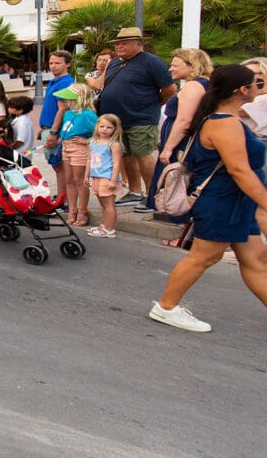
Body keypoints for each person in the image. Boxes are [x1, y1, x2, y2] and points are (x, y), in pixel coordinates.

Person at [151, 65, 267, 333]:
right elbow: (239, 170)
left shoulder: (225, 119)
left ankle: (167, 306)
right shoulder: (224, 123)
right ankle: (166, 307)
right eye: (255, 84)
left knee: (255, 259)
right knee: (204, 257)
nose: (258, 88)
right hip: (223, 200)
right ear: (242, 90)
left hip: (235, 202)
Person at [97, 28, 176, 206]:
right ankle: (134, 191)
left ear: (137, 44)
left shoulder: (152, 62)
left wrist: (152, 105)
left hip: (141, 118)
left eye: (124, 43)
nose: (118, 46)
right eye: (117, 43)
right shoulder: (116, 63)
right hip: (117, 120)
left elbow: (170, 90)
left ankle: (151, 195)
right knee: (126, 155)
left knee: (143, 155)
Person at [148, 48, 213, 221]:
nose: (170, 69)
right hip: (185, 140)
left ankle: (182, 225)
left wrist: (168, 149)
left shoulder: (194, 86)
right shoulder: (205, 84)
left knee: (178, 183)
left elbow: (184, 121)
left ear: (192, 65)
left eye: (175, 65)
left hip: (181, 143)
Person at [57, 84, 98, 229]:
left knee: (79, 180)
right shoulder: (68, 113)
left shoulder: (88, 114)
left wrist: (87, 141)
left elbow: (99, 133)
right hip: (66, 146)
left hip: (79, 148)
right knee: (69, 180)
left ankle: (82, 211)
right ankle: (72, 210)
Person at [40, 50, 76, 195]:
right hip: (48, 127)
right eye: (51, 63)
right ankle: (62, 196)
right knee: (57, 166)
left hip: (56, 130)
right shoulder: (54, 81)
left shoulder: (66, 82)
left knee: (60, 166)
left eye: (57, 63)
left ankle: (63, 198)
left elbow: (62, 109)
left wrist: (53, 132)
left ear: (67, 64)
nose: (53, 66)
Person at [87, 115, 125, 238]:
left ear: (115, 129)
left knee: (109, 204)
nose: (104, 129)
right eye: (102, 126)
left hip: (107, 177)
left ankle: (109, 229)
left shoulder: (114, 145)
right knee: (102, 203)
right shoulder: (93, 142)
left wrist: (113, 180)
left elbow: (117, 163)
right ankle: (105, 224)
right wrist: (86, 176)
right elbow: (89, 160)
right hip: (96, 176)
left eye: (109, 127)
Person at [7, 96, 36, 165]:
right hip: (23, 154)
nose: (9, 109)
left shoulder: (22, 122)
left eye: (11, 108)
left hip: (21, 154)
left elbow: (20, 141)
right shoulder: (21, 119)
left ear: (20, 110)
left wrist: (12, 148)